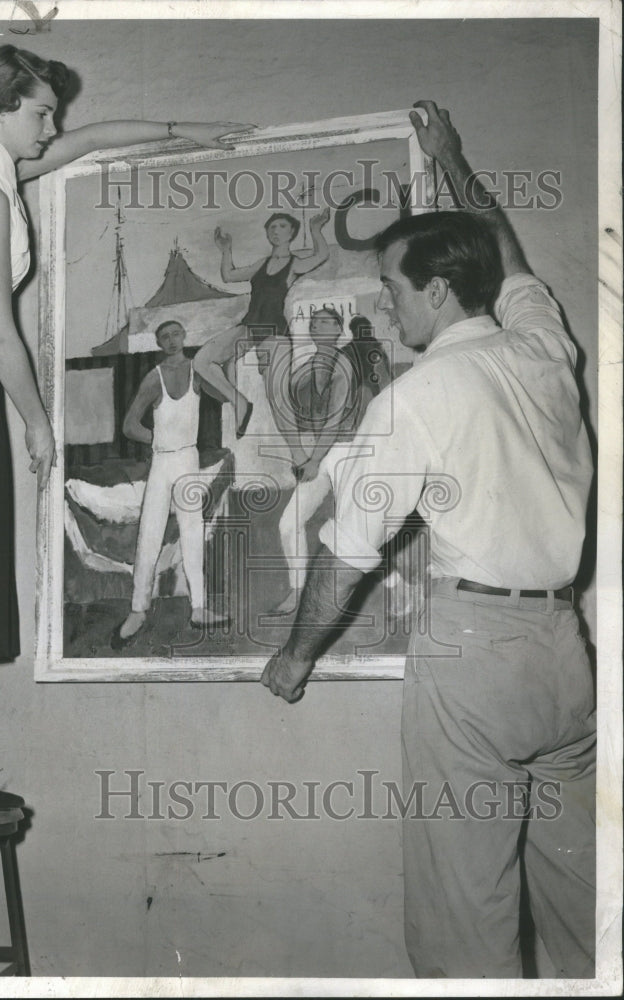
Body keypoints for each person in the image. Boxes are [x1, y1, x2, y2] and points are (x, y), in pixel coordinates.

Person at [0, 43, 249, 811]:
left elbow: (90, 141)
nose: (52, 124)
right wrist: (37, 424)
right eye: (40, 111)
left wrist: (182, 130)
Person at [261, 101, 595, 978]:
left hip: (475, 659)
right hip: (567, 658)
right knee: (581, 912)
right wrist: (451, 157)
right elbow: (506, 250)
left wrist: (295, 658)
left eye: (394, 288)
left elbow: (344, 554)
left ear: (437, 290)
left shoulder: (417, 395)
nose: (384, 301)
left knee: (463, 918)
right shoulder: (542, 345)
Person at [112, 320, 231, 648]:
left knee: (193, 534)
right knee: (149, 535)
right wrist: (158, 439)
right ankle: (138, 610)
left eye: (175, 334)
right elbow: (129, 425)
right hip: (162, 462)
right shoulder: (154, 377)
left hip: (188, 461)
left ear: (184, 336)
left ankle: (199, 608)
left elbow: (225, 395)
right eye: (164, 337)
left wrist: (225, 360)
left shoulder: (197, 371)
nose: (171, 340)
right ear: (159, 343)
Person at [273, 308, 389, 614]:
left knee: (361, 526)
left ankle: (398, 587)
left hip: (347, 451)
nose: (317, 324)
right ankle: (297, 592)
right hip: (320, 453)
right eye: (314, 321)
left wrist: (312, 460)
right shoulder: (305, 368)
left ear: (339, 329)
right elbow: (295, 414)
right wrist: (301, 455)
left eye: (326, 321)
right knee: (289, 523)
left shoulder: (344, 364)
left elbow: (335, 419)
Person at [193, 208, 331, 457]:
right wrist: (226, 250)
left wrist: (316, 230)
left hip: (274, 333)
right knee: (202, 360)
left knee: (279, 400)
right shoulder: (262, 264)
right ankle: (239, 402)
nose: (276, 231)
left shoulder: (294, 263)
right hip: (248, 327)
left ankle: (300, 458)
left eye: (281, 227)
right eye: (272, 227)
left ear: (291, 232)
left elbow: (321, 255)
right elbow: (229, 275)